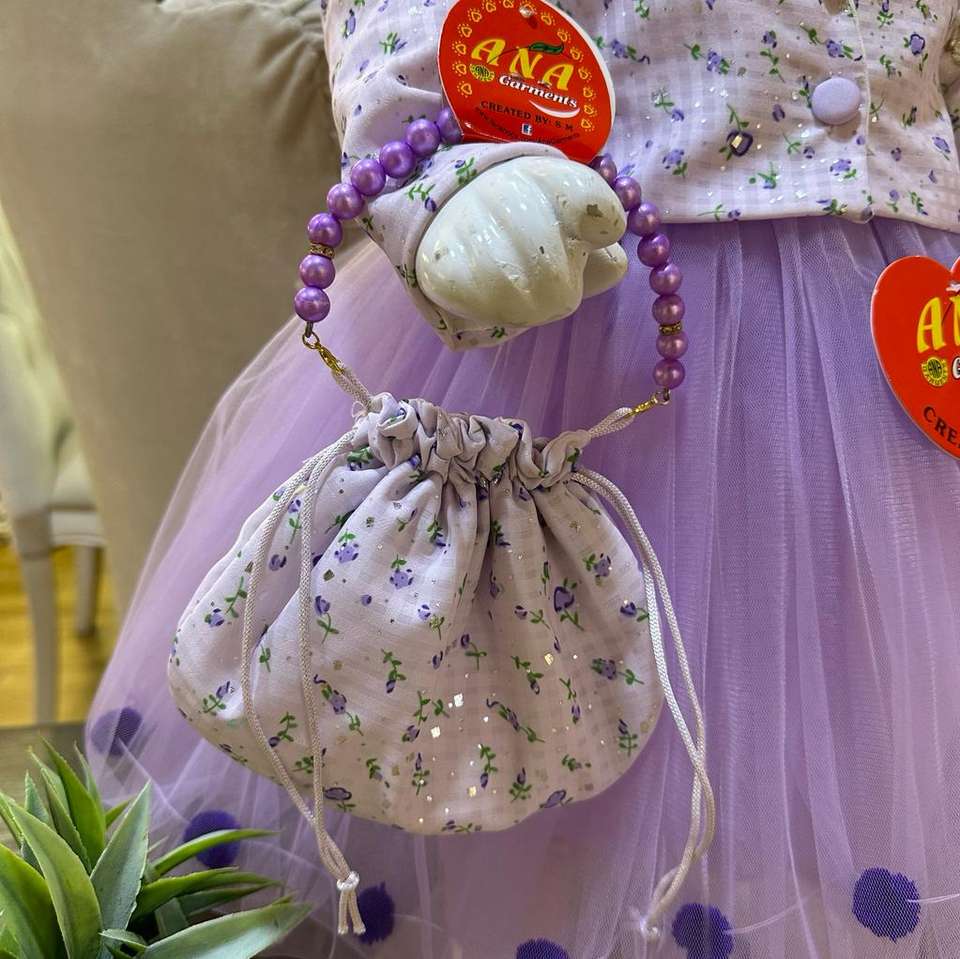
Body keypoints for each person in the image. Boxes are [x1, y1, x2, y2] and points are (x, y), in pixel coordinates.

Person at [88, 0, 960, 956]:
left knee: (873, 742)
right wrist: (443, 179)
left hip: (906, 355)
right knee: (551, 728)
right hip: (584, 312)